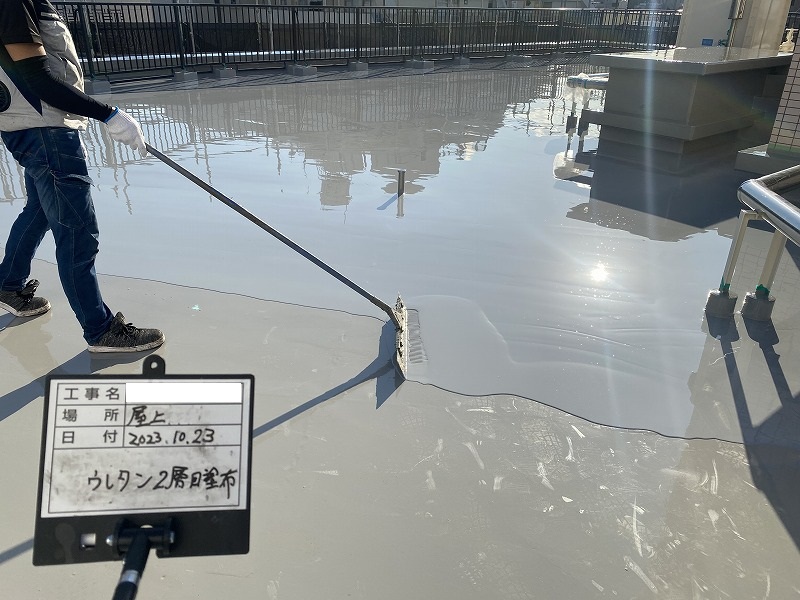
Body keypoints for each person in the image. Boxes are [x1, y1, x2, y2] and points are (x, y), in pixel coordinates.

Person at [0, 0, 164, 352]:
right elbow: (36, 77)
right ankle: (100, 330)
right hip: (45, 131)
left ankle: (8, 285)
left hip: (29, 127)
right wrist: (108, 114)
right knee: (77, 233)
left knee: (40, 211)